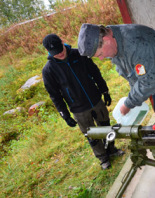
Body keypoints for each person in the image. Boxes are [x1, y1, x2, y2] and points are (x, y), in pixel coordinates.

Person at [77, 23, 155, 183]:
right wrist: (134, 95)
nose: (102, 58)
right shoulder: (115, 47)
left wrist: (130, 102)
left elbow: (150, 81)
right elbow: (133, 75)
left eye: (100, 54)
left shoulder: (135, 43)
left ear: (106, 39)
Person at [42, 34, 124, 170]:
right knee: (91, 135)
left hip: (96, 100)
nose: (60, 53)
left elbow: (95, 72)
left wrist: (104, 90)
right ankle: (103, 158)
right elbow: (55, 95)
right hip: (78, 109)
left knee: (106, 127)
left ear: (63, 42)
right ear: (48, 52)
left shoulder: (78, 54)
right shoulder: (49, 70)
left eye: (61, 49)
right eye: (56, 53)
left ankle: (111, 149)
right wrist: (65, 115)